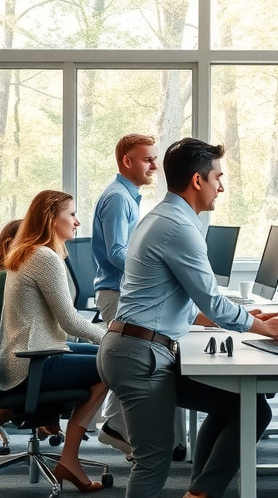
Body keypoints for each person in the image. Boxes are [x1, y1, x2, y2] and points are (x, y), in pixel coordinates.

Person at [96, 137, 278, 498]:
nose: (221, 186)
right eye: (218, 177)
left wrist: (240, 317)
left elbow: (179, 299)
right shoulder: (179, 227)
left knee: (244, 405)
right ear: (197, 181)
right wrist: (260, 326)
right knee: (153, 459)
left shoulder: (164, 217)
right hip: (139, 356)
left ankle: (201, 492)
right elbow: (213, 301)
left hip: (142, 348)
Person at [0, 191, 109, 493]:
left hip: (18, 357)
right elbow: (68, 320)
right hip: (33, 359)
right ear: (52, 218)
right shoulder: (44, 257)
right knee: (109, 367)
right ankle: (69, 459)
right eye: (72, 214)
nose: (78, 222)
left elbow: (61, 321)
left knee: (97, 354)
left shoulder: (29, 251)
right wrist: (112, 338)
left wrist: (103, 338)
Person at [91, 133, 186, 460]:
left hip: (124, 291)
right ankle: (117, 428)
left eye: (155, 159)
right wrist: (155, 267)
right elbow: (118, 251)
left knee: (140, 361)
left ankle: (125, 430)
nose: (155, 166)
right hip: (120, 293)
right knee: (138, 361)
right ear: (127, 161)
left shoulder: (127, 196)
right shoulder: (118, 197)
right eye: (148, 159)